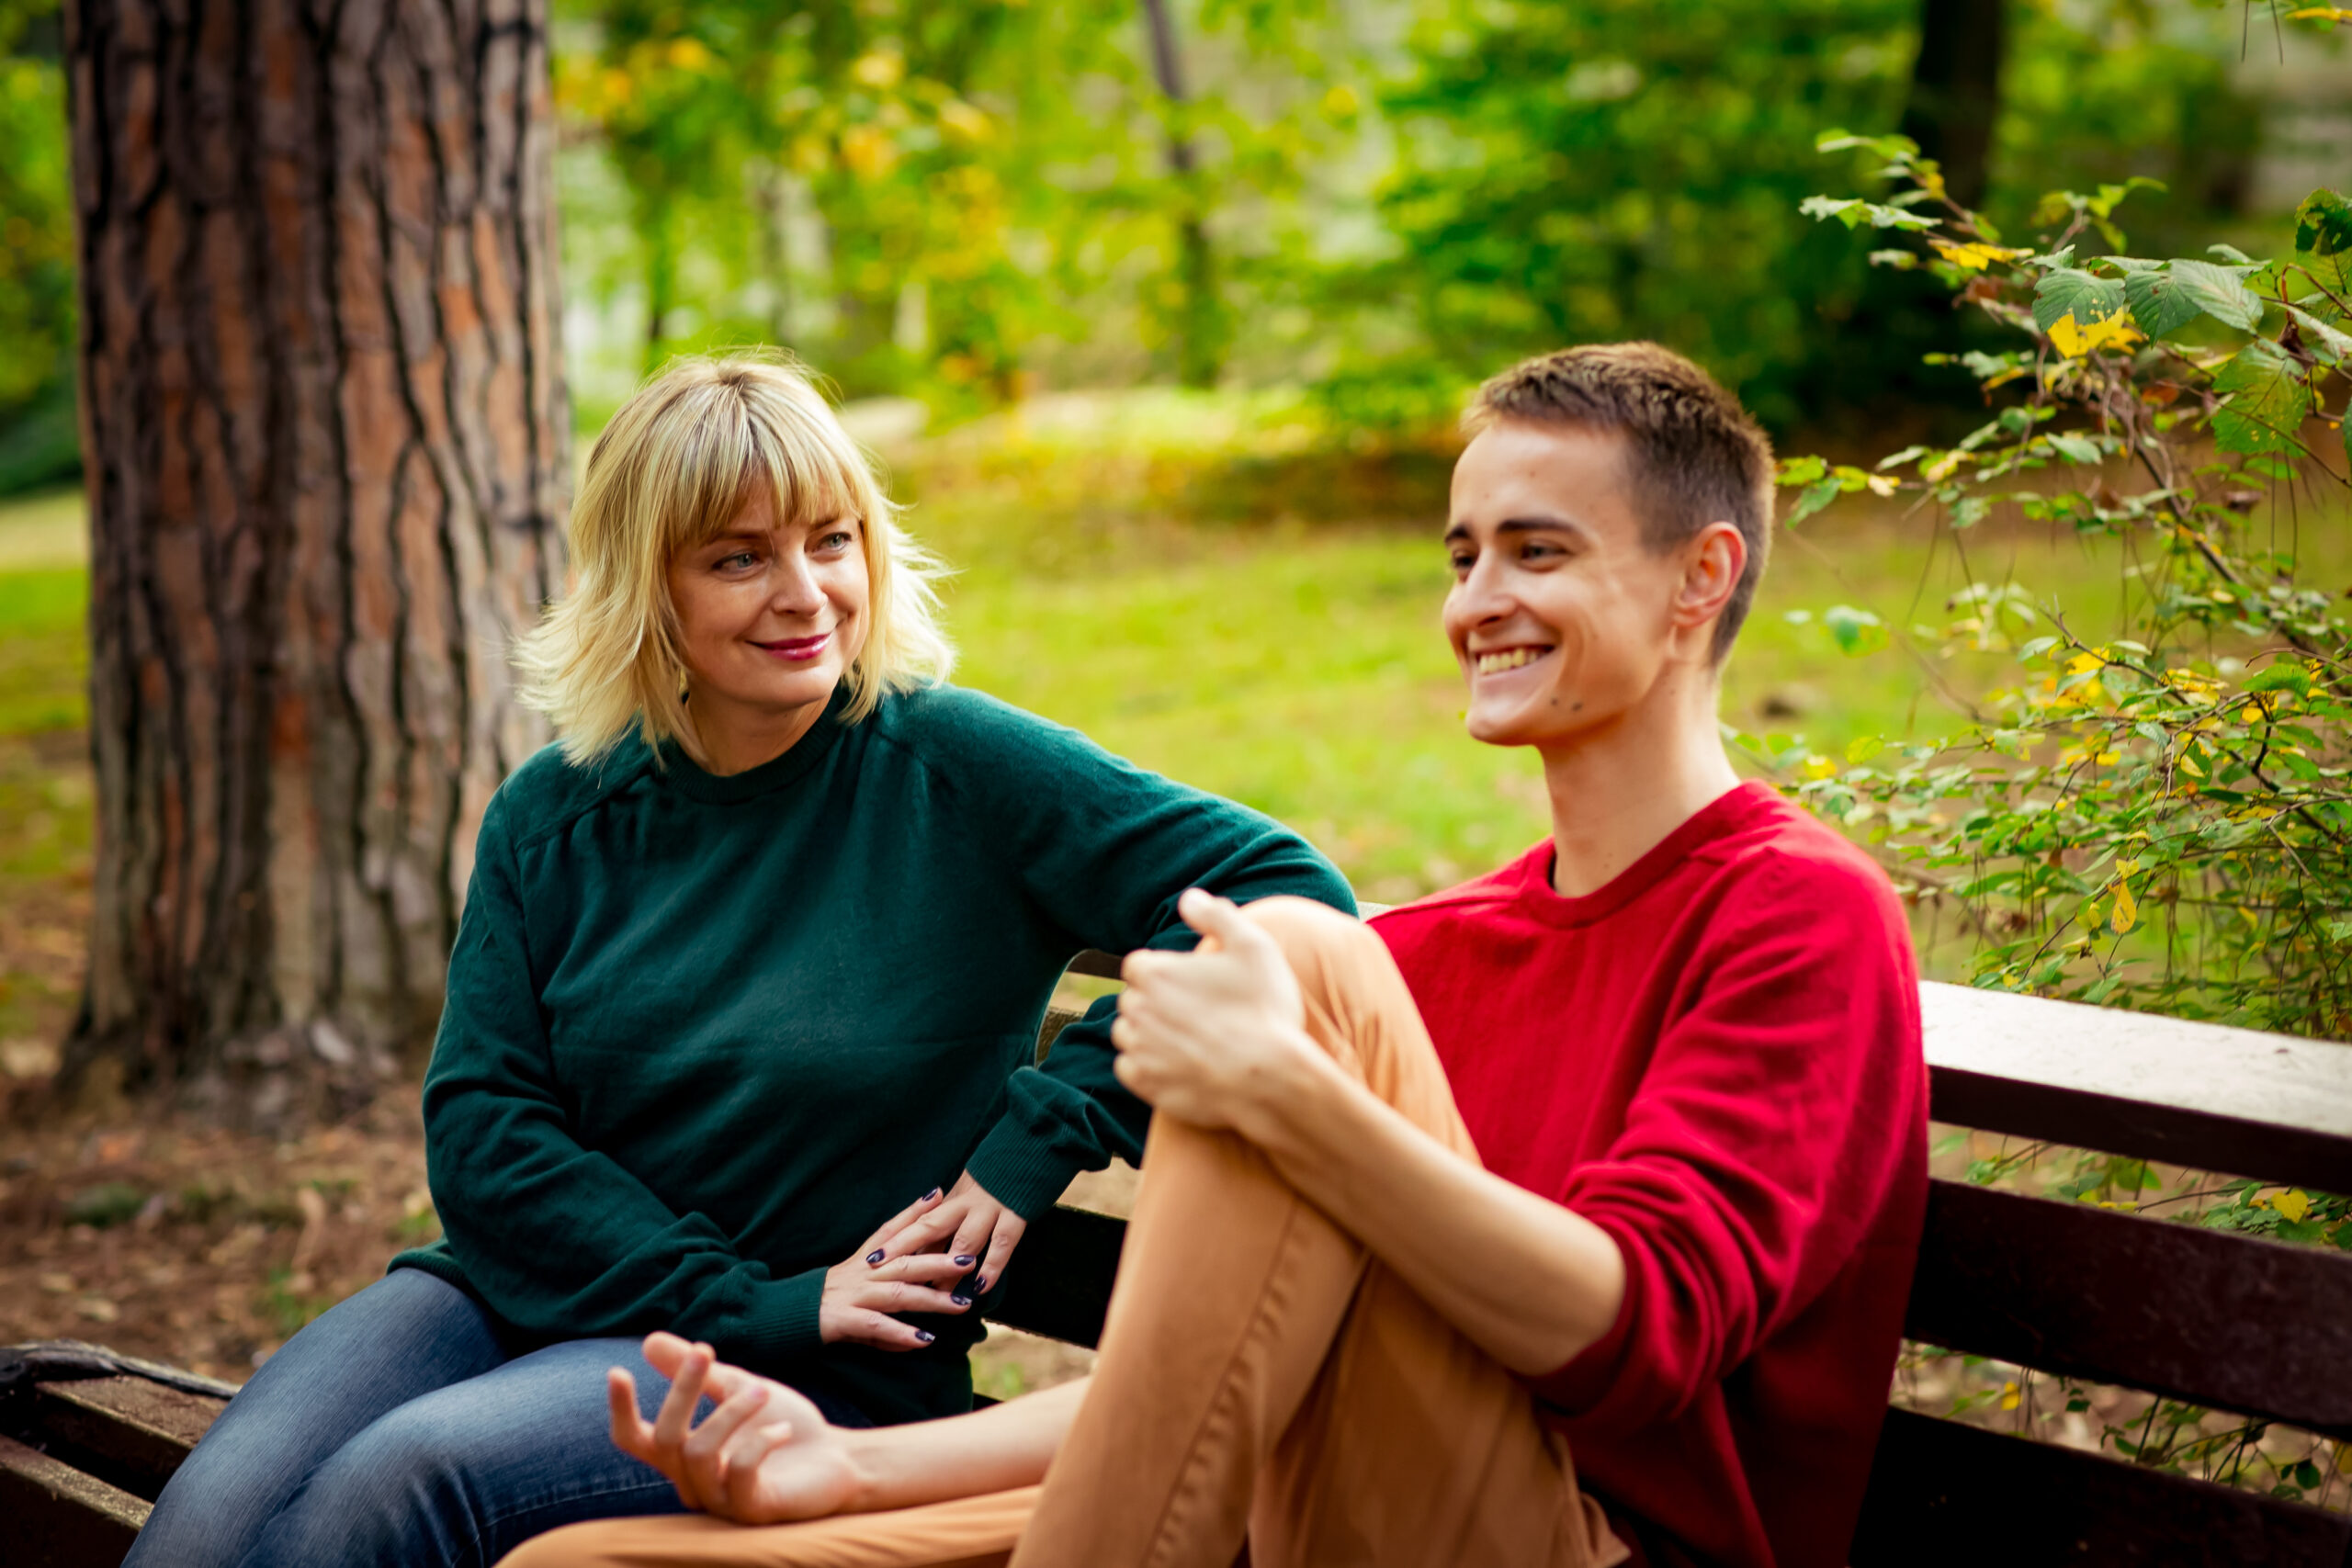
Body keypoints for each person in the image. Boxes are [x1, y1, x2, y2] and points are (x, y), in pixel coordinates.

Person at [500, 342, 1930, 1568]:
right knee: (585, 1561)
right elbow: (1220, 1364)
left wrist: (1291, 1095)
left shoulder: (1793, 910)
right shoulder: (1434, 955)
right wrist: (853, 1469)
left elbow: (1640, 1348)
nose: (1477, 599)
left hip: (1605, 1539)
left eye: (1537, 550)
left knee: (1296, 948)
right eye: (1463, 553)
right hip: (1316, 1498)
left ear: (1703, 581)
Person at [124, 354, 1353, 1568]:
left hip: (810, 1369)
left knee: (399, 1489)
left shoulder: (954, 769)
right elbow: (488, 1125)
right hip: (525, 1293)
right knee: (215, 1517)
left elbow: (1288, 893)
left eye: (831, 539)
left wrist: (1045, 1133)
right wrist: (736, 1293)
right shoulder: (556, 817)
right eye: (737, 557)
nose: (806, 592)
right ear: (646, 589)